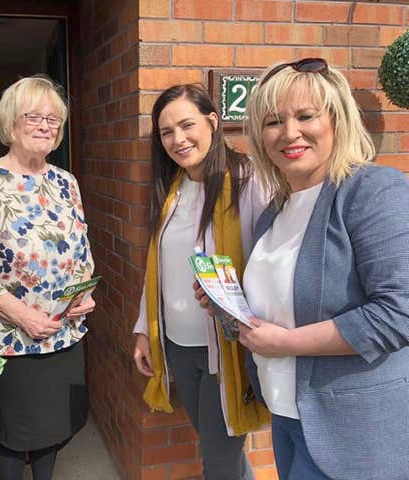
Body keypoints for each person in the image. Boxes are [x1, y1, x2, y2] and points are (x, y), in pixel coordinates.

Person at [197, 58, 409, 479]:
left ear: (336, 120)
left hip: (352, 431)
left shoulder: (373, 191)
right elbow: (278, 308)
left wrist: (288, 342)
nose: (290, 132)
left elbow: (399, 311)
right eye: (274, 121)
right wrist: (227, 304)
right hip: (287, 415)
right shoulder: (274, 213)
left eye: (306, 116)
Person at [0, 74, 95, 480]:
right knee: (15, 436)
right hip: (14, 338)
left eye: (53, 120)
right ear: (11, 123)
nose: (45, 126)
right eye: (34, 116)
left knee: (54, 430)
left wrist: (83, 295)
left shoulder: (65, 182)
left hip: (65, 332)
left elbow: (81, 251)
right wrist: (23, 316)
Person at [132, 84, 270, 480]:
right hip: (178, 347)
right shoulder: (172, 190)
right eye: (166, 132)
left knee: (219, 462)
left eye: (187, 125)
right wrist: (145, 330)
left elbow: (272, 263)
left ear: (212, 122)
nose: (178, 139)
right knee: (219, 450)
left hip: (225, 351)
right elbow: (158, 269)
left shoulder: (249, 180)